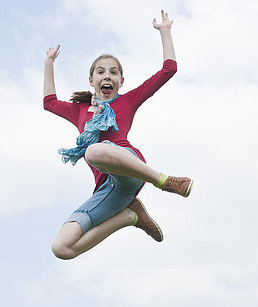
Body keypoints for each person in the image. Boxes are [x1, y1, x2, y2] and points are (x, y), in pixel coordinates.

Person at [43, 10, 193, 260]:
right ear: (91, 80)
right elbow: (49, 102)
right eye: (101, 72)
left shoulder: (128, 101)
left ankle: (166, 182)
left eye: (113, 73)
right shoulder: (78, 110)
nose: (107, 76)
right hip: (109, 190)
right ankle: (130, 216)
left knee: (93, 151)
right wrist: (49, 63)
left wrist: (165, 31)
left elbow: (169, 69)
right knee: (61, 248)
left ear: (121, 81)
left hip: (131, 168)